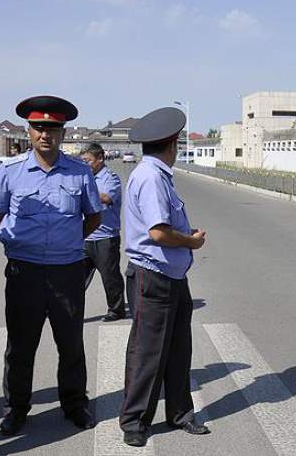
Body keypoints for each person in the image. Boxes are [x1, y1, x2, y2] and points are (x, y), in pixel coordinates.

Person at [0, 96, 103, 435]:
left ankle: (74, 404)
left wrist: (66, 241)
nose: (45, 134)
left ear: (62, 133)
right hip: (25, 271)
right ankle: (16, 408)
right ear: (28, 130)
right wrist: (19, 242)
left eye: (52, 128)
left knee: (70, 343)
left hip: (67, 270)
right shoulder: (10, 172)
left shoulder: (80, 172)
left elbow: (93, 217)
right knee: (21, 345)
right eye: (39, 128)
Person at [120, 107, 210, 447]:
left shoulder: (157, 175)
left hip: (172, 278)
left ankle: (180, 413)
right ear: (172, 144)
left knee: (177, 349)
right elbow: (158, 233)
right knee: (148, 352)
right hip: (152, 276)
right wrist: (192, 242)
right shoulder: (151, 177)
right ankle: (134, 421)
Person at [80, 142, 128, 321]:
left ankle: (116, 309)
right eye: (82, 161)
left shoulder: (111, 178)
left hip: (106, 237)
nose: (85, 164)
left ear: (100, 159)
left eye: (88, 161)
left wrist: (85, 188)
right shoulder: (83, 177)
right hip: (85, 236)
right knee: (76, 278)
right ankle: (69, 310)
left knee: (110, 277)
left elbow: (107, 197)